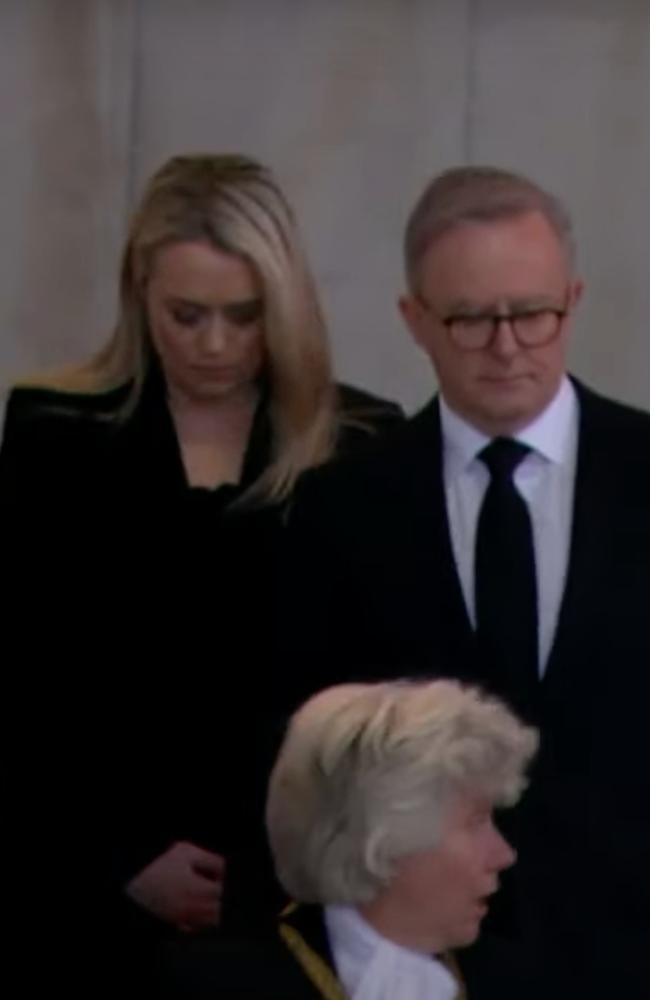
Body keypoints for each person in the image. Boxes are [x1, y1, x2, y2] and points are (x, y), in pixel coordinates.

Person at [0, 155, 402, 959]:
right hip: (81, 891)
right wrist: (121, 852)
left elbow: (374, 693)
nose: (215, 344)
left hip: (292, 901)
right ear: (138, 292)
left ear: (285, 306)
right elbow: (25, 677)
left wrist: (284, 871)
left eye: (245, 315)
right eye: (186, 315)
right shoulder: (53, 432)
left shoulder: (358, 443)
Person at [285, 167, 650, 995]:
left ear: (574, 299)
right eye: (471, 319)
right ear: (414, 319)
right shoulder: (343, 507)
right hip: (424, 967)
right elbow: (313, 753)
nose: (508, 345)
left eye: (532, 313)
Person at [158, 678, 537, 999]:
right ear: (383, 837)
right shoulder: (213, 985)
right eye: (475, 823)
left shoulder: (518, 983)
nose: (504, 855)